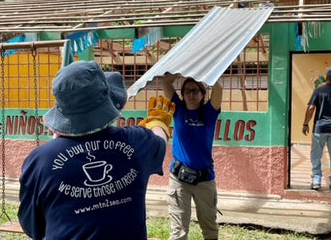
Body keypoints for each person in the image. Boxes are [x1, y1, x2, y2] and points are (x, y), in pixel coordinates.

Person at [18, 60, 175, 240]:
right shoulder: (137, 141)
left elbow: (32, 226)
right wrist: (159, 121)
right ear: (108, 102)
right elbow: (159, 139)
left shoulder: (41, 160)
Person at [162, 74, 222, 240]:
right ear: (182, 94)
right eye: (187, 91)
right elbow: (165, 81)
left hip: (205, 180)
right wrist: (183, 70)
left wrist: (206, 72)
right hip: (179, 180)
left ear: (203, 94)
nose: (191, 94)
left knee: (209, 228)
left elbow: (218, 88)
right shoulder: (179, 110)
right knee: (179, 232)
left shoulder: (209, 113)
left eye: (195, 91)